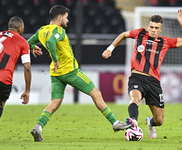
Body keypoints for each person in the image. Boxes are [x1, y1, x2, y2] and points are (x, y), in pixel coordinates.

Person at [28, 5, 131, 142]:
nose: (67, 20)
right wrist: (56, 60)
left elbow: (27, 42)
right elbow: (52, 41)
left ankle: (39, 126)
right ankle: (115, 123)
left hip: (56, 73)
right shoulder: (59, 31)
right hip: (70, 71)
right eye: (66, 17)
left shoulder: (42, 30)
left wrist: (32, 46)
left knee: (55, 102)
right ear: (59, 17)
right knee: (96, 93)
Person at [102, 9, 182, 139]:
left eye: (156, 28)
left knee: (159, 120)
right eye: (151, 27)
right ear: (148, 26)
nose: (153, 30)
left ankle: (150, 123)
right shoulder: (140, 33)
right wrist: (110, 48)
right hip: (137, 77)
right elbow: (123, 34)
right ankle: (133, 122)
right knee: (135, 99)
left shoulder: (165, 42)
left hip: (154, 82)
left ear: (160, 29)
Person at [0, 16, 32, 117]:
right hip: (3, 79)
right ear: (19, 28)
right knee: (0, 104)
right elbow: (27, 67)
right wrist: (27, 90)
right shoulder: (23, 42)